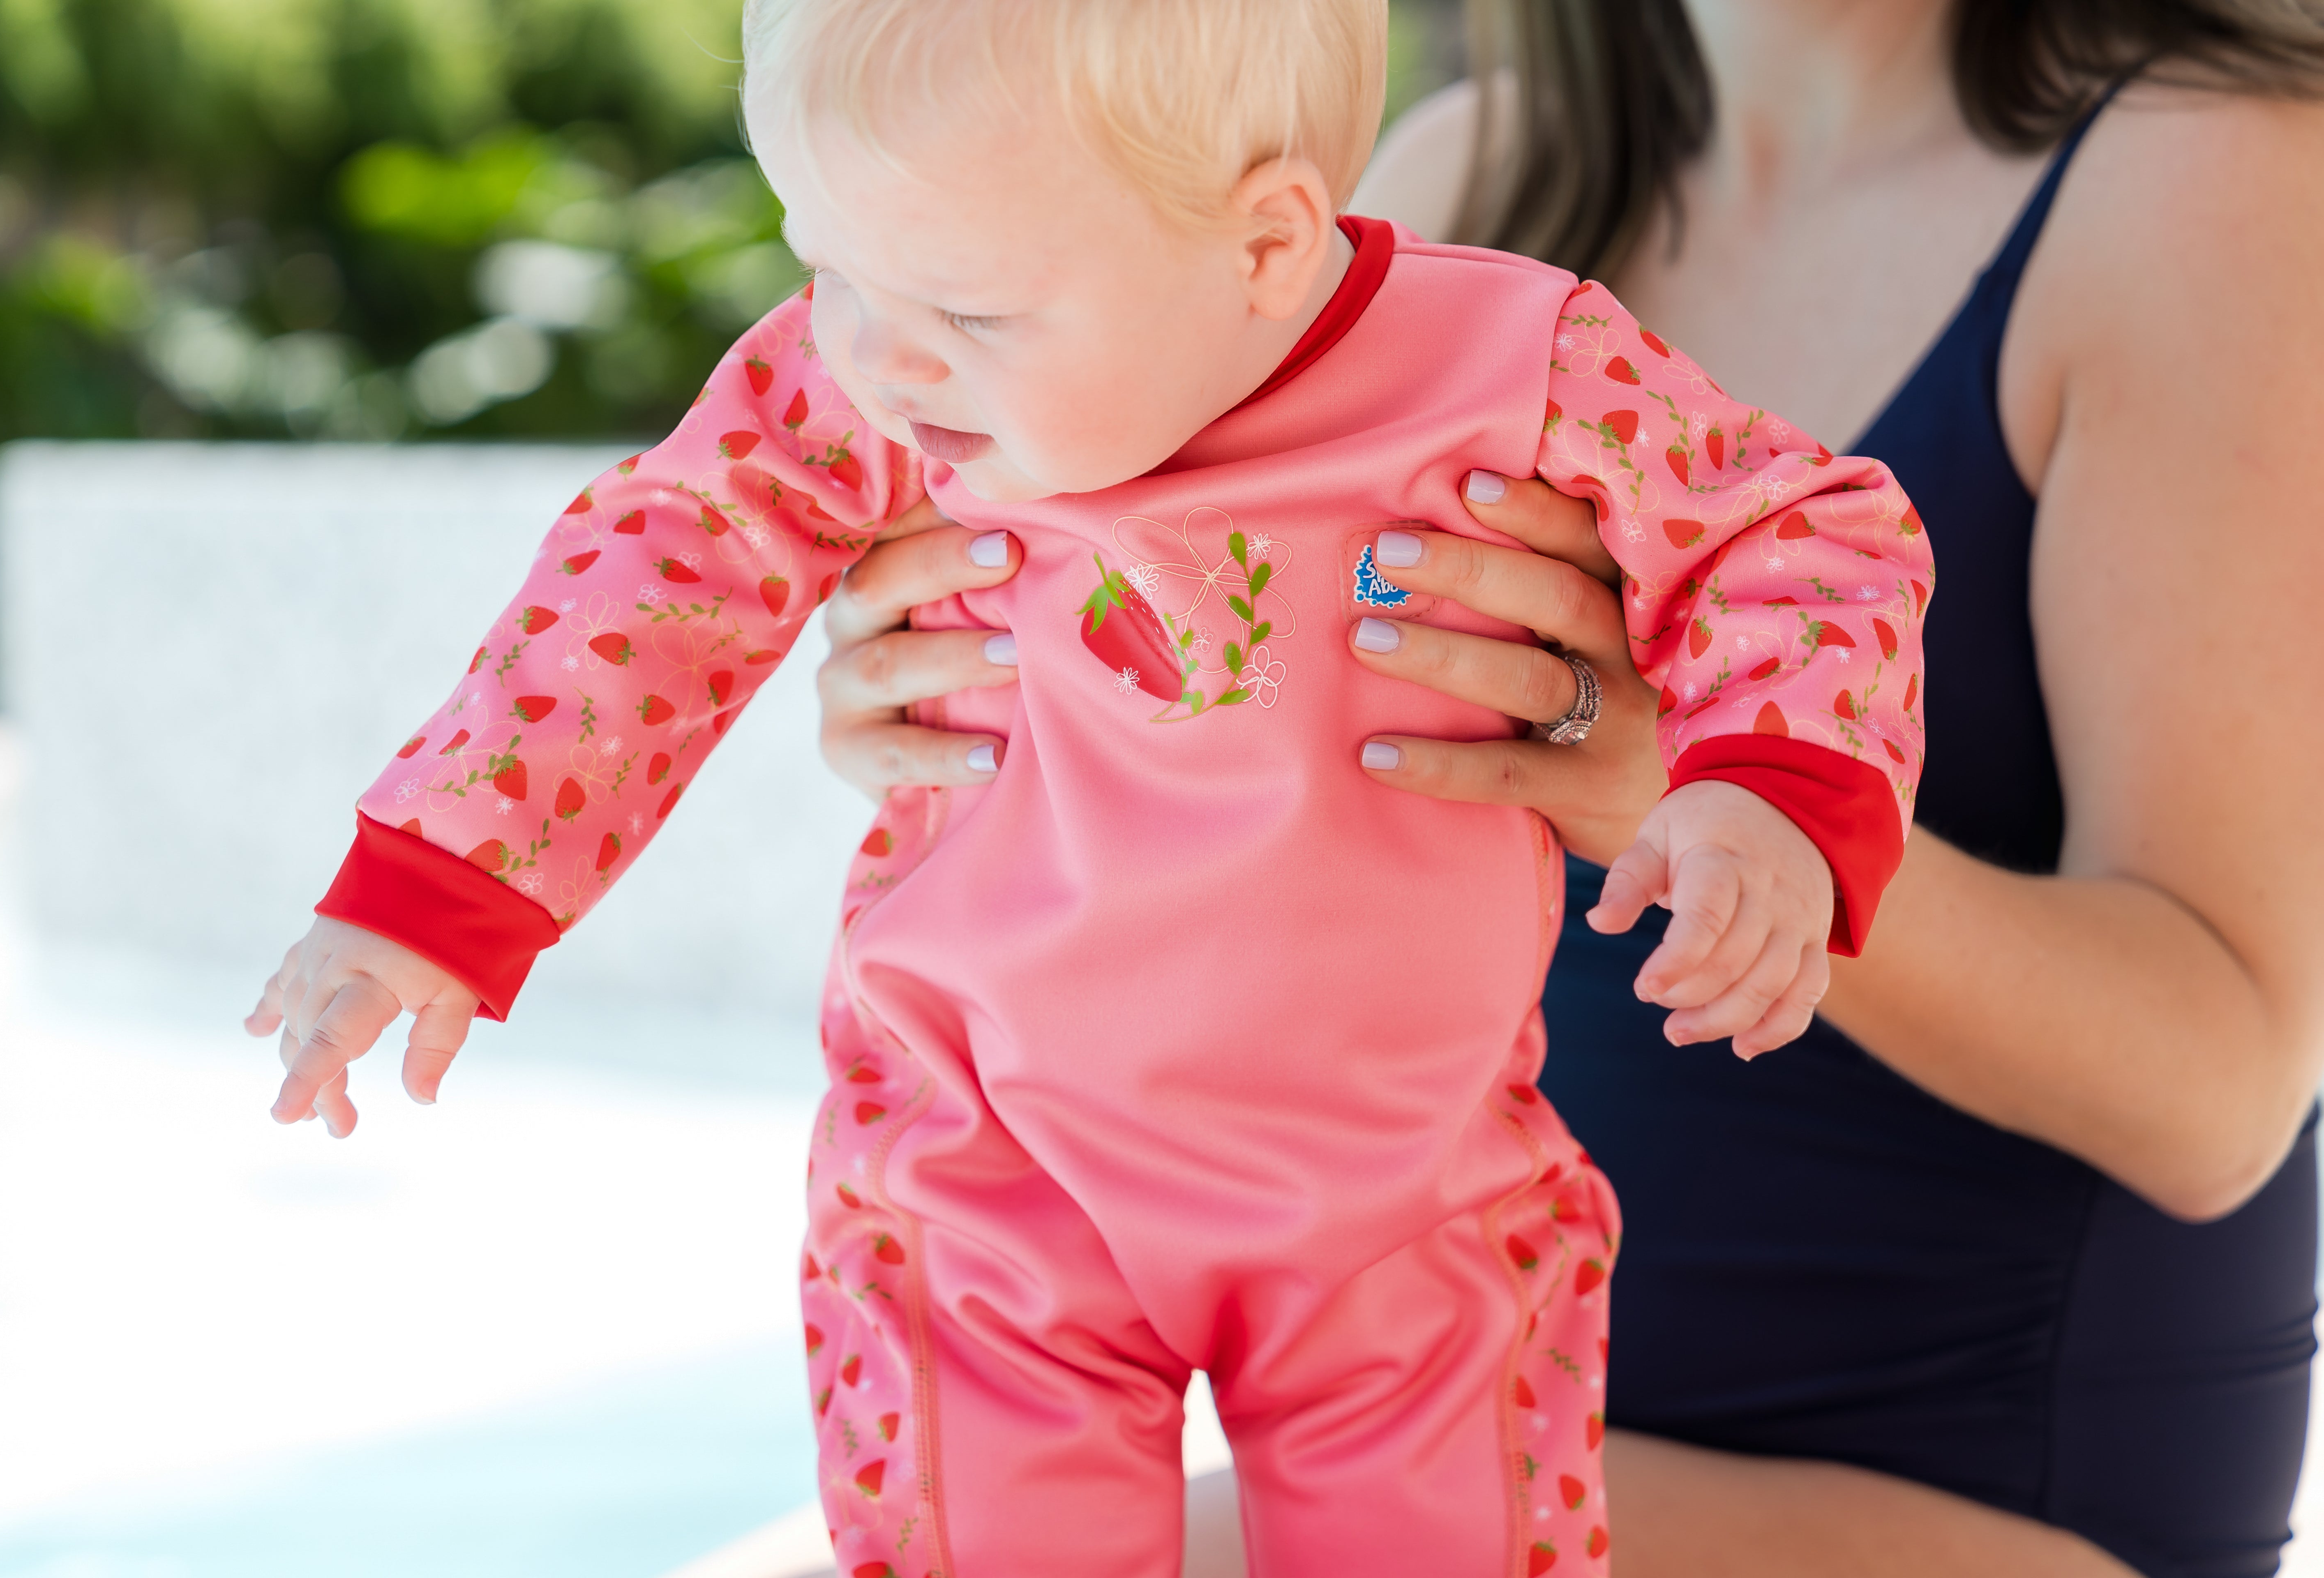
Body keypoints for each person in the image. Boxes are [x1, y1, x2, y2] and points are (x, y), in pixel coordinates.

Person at [238, 0, 1941, 1572]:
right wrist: (433, 892)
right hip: (986, 1173)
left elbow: (1793, 529)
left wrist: (1770, 786)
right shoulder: (882, 369)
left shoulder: (1517, 362)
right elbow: (657, 572)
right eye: (819, 264)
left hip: (1404, 1197)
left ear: (1267, 246)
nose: (873, 361)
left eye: (964, 313)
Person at [815, 2, 2324, 1575]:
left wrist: (1684, 792)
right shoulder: (1467, 178)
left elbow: (2218, 1092)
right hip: (1475, 1383)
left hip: (1975, 1484)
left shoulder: (2218, 178)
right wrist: (966, 710)